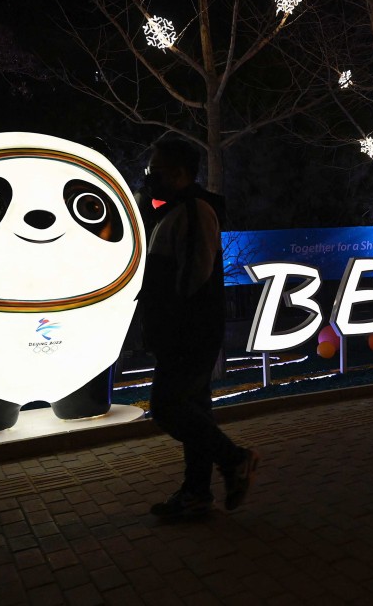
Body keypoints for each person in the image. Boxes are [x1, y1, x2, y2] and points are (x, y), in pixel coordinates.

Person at [138, 135, 259, 519]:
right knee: (195, 410)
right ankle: (196, 491)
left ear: (177, 173)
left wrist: (172, 325)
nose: (149, 177)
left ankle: (235, 459)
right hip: (182, 332)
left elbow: (194, 277)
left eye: (154, 171)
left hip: (190, 333)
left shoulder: (195, 211)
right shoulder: (172, 211)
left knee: (166, 407)